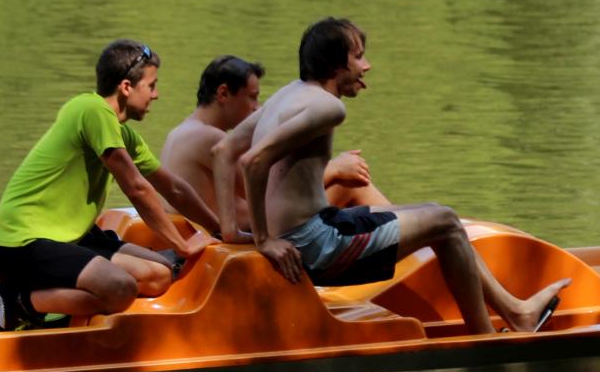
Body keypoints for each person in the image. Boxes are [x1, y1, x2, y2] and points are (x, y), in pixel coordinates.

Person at [212, 18, 569, 335]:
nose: (367, 66)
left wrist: (231, 229)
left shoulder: (288, 94)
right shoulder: (328, 107)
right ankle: (485, 342)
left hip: (318, 227)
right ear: (337, 65)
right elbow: (252, 161)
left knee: (437, 214)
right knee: (445, 222)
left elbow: (223, 151)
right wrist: (263, 240)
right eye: (359, 57)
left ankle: (516, 312)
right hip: (318, 246)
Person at [0, 39, 218, 331]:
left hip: (68, 239)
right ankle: (16, 301)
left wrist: (219, 229)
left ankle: (53, 310)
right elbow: (136, 188)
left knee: (159, 276)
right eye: (151, 85)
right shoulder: (91, 109)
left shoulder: (123, 135)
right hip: (21, 245)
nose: (156, 95)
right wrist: (181, 246)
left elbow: (172, 187)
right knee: (120, 289)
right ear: (126, 87)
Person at [159, 54, 390, 233]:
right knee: (350, 183)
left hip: (218, 229)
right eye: (251, 96)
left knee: (342, 198)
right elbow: (267, 189)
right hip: (242, 234)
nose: (257, 107)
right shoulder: (211, 139)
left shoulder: (180, 132)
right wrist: (336, 168)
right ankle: (415, 249)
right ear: (223, 94)